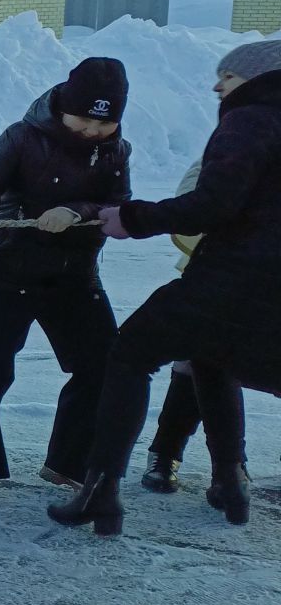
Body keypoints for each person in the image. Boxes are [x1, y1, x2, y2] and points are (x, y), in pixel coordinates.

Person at [52, 40, 281, 536]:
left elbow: (213, 204)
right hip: (268, 291)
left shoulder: (252, 120)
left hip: (231, 278)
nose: (217, 85)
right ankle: (230, 480)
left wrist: (134, 218)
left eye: (230, 77)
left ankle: (100, 492)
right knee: (210, 356)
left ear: (260, 79)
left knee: (130, 352)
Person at [0, 57, 132, 502]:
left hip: (73, 273)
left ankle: (69, 462)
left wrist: (78, 212)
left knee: (103, 363)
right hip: (4, 267)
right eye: (83, 118)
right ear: (64, 104)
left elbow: (117, 204)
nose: (91, 130)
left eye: (103, 123)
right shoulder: (23, 136)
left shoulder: (117, 151)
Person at [137, 158, 248, 507]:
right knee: (198, 357)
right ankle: (169, 453)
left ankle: (229, 471)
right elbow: (194, 186)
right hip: (219, 266)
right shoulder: (245, 129)